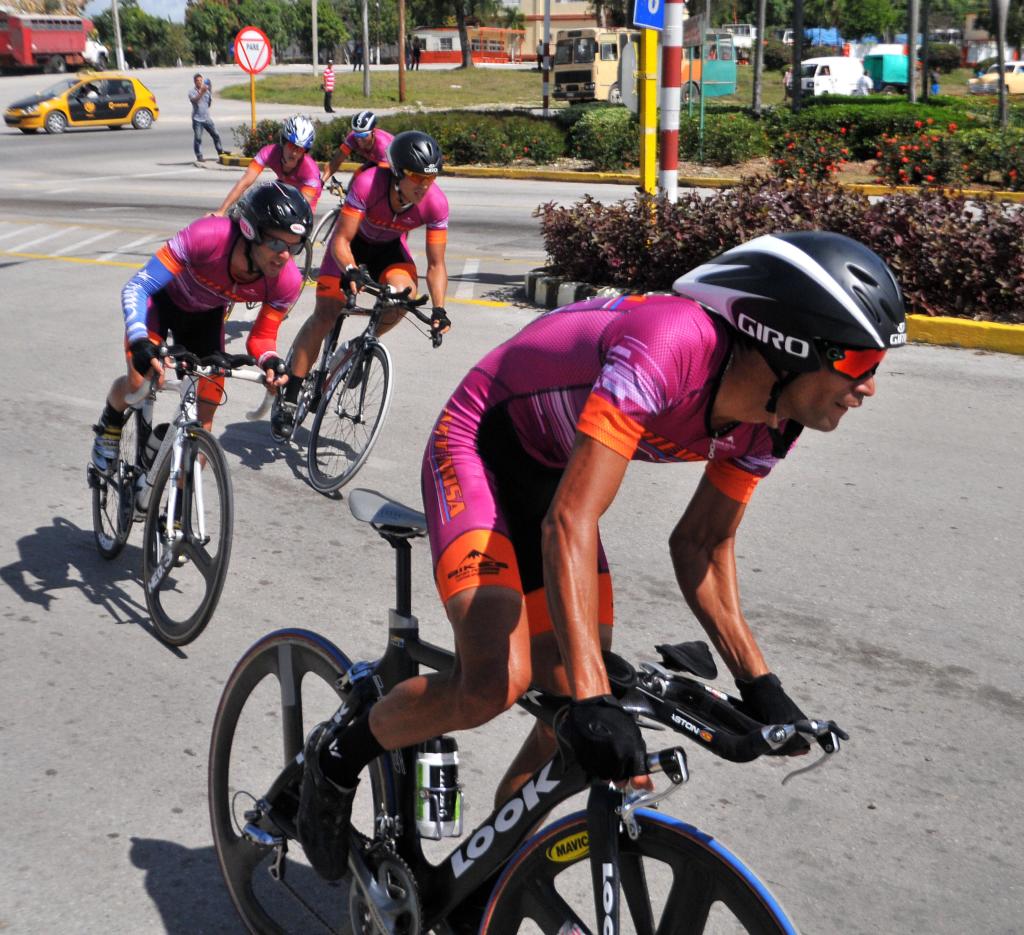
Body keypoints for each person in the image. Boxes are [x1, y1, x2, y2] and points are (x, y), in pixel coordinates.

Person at [294, 231, 908, 881]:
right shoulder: (670, 345)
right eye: (857, 359)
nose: (869, 385)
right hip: (479, 446)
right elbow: (571, 520)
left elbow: (701, 544)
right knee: (495, 682)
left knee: (574, 688)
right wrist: (591, 699)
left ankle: (488, 879)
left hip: (552, 473)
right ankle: (334, 759)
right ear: (786, 342)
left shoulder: (774, 423)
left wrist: (761, 686)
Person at [89, 182, 313, 471]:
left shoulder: (287, 281)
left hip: (204, 317)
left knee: (206, 412)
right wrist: (138, 339)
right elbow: (138, 286)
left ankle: (181, 496)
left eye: (294, 246)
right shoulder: (209, 236)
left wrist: (270, 361)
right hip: (160, 303)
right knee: (141, 381)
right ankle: (110, 420)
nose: (285, 256)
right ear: (250, 231)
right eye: (277, 244)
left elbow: (262, 338)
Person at [272, 130, 449, 440]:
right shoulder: (369, 183)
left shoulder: (436, 203)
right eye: (417, 177)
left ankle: (359, 348)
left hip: (389, 252)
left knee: (404, 298)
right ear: (398, 173)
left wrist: (440, 309)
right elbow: (341, 239)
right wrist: (351, 270)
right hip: (351, 248)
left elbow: (436, 265)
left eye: (430, 178)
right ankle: (291, 394)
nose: (424, 185)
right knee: (326, 314)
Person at [212, 116, 323, 217]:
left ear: (305, 151)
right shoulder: (269, 153)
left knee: (294, 222)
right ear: (283, 142)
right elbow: (245, 182)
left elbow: (301, 208)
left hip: (306, 192)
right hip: (285, 183)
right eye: (291, 145)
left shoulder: (310, 171)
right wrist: (222, 211)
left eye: (300, 149)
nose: (294, 152)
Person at [319, 110, 394, 187]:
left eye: (362, 135)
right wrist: (321, 182)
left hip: (395, 163)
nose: (359, 139)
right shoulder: (352, 138)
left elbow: (387, 178)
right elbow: (335, 163)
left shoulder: (383, 146)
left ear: (373, 132)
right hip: (376, 161)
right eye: (356, 135)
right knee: (357, 178)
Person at [189, 72, 223, 163]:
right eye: (197, 81)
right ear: (194, 82)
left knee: (216, 135)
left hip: (207, 118)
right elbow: (195, 100)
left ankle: (220, 152)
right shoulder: (191, 92)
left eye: (201, 80)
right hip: (197, 119)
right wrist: (202, 92)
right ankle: (199, 156)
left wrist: (209, 91)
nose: (199, 82)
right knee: (198, 138)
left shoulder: (206, 91)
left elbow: (208, 104)